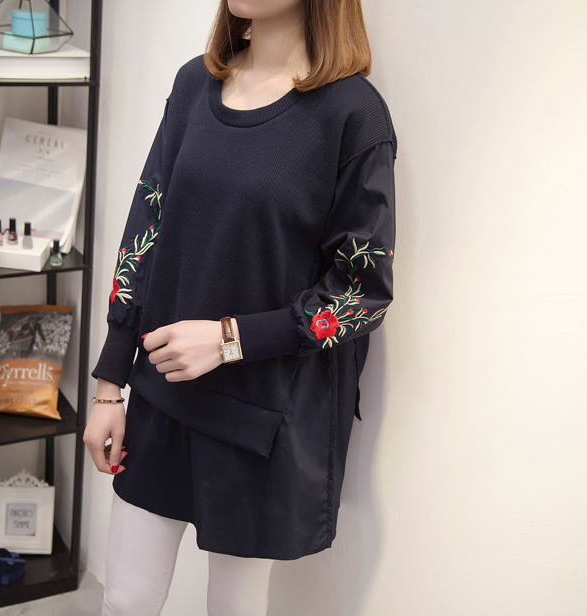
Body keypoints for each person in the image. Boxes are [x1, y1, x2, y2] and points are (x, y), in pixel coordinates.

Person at [84, 0, 397, 614]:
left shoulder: (352, 114)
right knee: (124, 601)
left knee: (233, 608)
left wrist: (229, 339)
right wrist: (109, 384)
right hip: (162, 394)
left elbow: (362, 291)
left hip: (261, 418)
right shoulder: (194, 84)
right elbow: (145, 230)